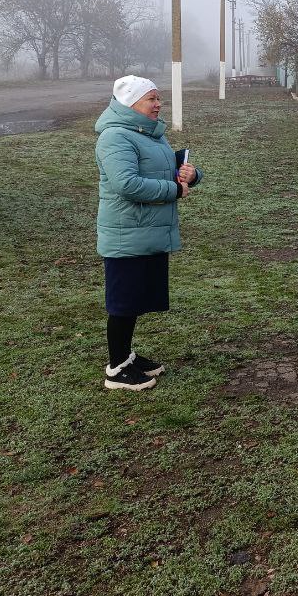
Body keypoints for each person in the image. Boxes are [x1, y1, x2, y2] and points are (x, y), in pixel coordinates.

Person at [95, 76, 201, 391]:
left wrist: (190, 175)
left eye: (158, 99)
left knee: (136, 298)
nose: (157, 105)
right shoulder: (115, 137)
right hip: (127, 234)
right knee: (124, 302)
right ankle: (116, 371)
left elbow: (163, 171)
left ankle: (126, 357)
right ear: (131, 103)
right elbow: (126, 184)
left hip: (145, 231)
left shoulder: (149, 134)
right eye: (151, 99)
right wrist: (174, 189)